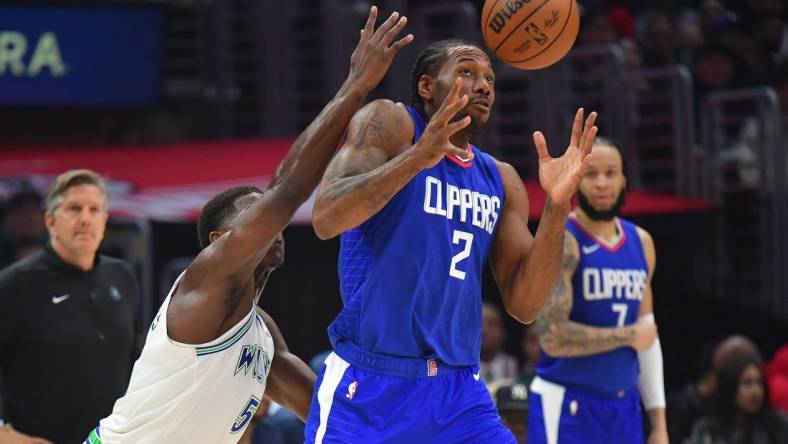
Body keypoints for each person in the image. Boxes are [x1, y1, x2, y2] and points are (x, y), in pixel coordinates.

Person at [88, 7, 413, 444]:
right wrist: (356, 85)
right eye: (254, 213)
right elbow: (288, 189)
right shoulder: (204, 279)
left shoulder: (261, 335)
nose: (273, 223)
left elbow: (325, 414)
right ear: (220, 241)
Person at [307, 37, 598, 442]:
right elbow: (326, 217)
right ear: (427, 87)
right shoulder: (392, 124)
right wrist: (417, 157)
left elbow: (526, 304)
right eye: (467, 72)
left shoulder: (500, 178)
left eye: (490, 79)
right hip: (371, 387)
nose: (483, 86)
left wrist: (557, 206)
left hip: (458, 393)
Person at [529, 138, 668, 444]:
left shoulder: (641, 242)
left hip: (624, 406)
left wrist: (659, 422)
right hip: (568, 401)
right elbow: (553, 337)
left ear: (624, 180)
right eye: (591, 175)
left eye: (611, 173)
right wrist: (629, 336)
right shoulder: (565, 239)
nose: (602, 183)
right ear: (577, 179)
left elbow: (648, 334)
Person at [0, 169, 144, 444]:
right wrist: (6, 435)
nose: (85, 219)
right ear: (51, 221)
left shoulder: (122, 277)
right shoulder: (14, 285)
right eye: (74, 209)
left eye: (95, 210)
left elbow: (138, 359)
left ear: (104, 221)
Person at [690, 352, 788, 444]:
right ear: (731, 386)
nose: (756, 391)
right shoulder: (707, 429)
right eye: (747, 383)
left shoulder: (777, 426)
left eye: (759, 383)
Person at [480, 301, 519, 385]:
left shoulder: (516, 367)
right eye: (479, 324)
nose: (484, 330)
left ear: (504, 332)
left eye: (492, 324)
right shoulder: (458, 371)